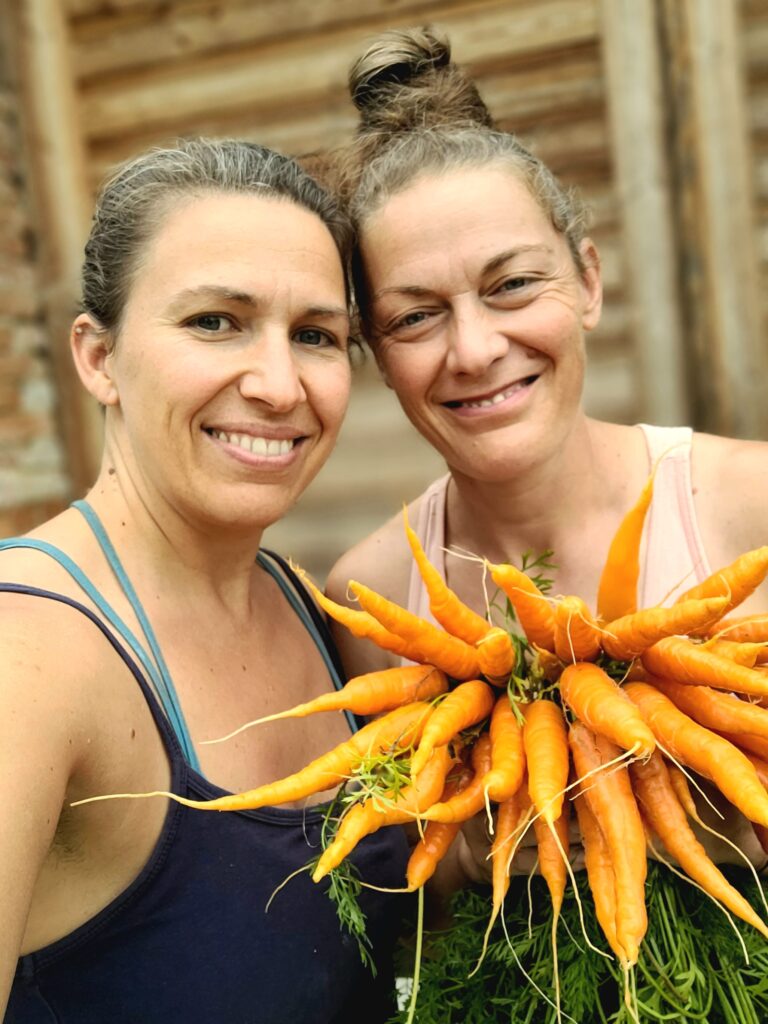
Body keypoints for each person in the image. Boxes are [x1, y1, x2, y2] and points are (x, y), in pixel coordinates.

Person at [325, 27, 768, 881]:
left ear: (589, 283)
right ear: (380, 356)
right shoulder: (373, 596)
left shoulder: (751, 503)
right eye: (416, 316)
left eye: (512, 285)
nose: (476, 349)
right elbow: (432, 911)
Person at [0, 138, 408, 1023]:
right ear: (98, 358)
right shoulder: (26, 662)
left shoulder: (319, 613)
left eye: (315, 335)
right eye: (214, 321)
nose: (276, 383)